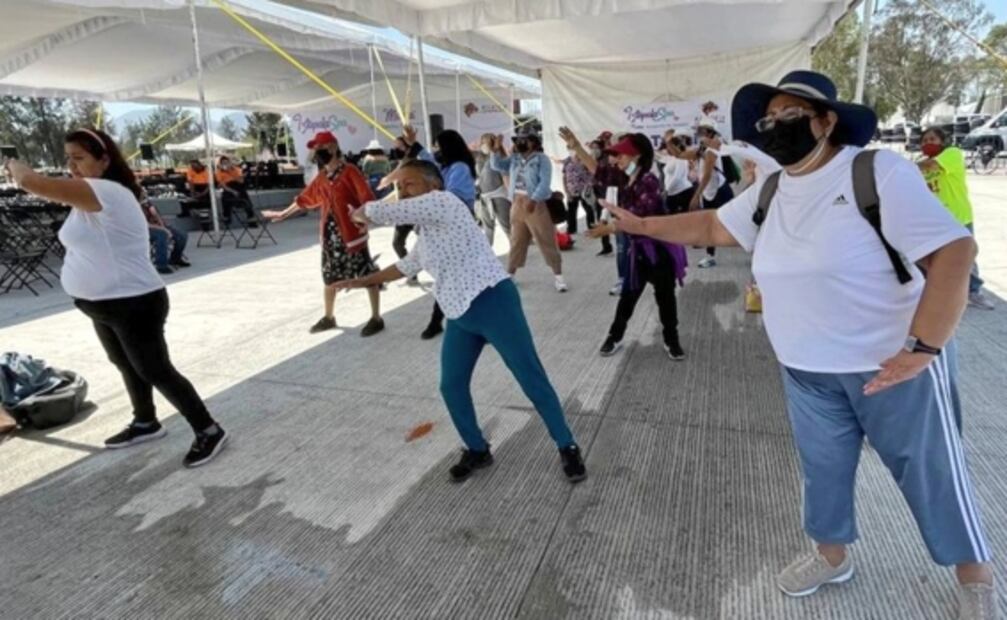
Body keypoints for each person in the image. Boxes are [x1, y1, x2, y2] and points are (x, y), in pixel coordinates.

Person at [604, 70, 995, 619]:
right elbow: (715, 227)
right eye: (768, 119)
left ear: (825, 120)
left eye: (790, 115)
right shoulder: (770, 189)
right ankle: (832, 555)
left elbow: (955, 252)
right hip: (806, 369)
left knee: (931, 471)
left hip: (889, 367)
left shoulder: (874, 172)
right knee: (823, 471)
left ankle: (973, 574)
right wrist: (644, 224)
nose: (776, 126)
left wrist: (924, 348)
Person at [335, 160, 587, 484]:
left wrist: (365, 209)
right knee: (451, 385)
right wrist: (362, 281)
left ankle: (566, 445)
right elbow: (405, 266)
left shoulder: (447, 202)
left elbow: (385, 213)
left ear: (432, 186)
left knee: (530, 378)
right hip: (459, 314)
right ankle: (477, 449)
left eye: (409, 184)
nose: (403, 192)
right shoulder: (425, 236)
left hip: (494, 302)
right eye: (400, 187)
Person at [3, 129, 227, 467]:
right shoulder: (88, 197)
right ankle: (145, 422)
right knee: (126, 364)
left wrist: (14, 166)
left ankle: (209, 430)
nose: (71, 166)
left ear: (104, 160)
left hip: (132, 302)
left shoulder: (107, 191)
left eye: (79, 158)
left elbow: (32, 183)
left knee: (156, 370)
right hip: (104, 304)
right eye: (68, 158)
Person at [262, 131, 384, 337]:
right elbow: (305, 198)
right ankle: (329, 316)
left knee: (366, 275)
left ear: (334, 147)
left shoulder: (350, 171)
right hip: (330, 237)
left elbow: (366, 198)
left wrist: (366, 220)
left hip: (352, 234)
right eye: (316, 150)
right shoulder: (322, 177)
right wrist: (284, 214)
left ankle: (376, 318)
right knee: (329, 278)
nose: (318, 153)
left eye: (322, 149)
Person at [587, 134, 687, 360]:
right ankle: (615, 336)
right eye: (615, 154)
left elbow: (642, 219)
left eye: (621, 154)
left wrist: (610, 228)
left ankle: (672, 340)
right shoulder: (625, 178)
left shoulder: (648, 181)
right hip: (638, 252)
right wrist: (576, 147)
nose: (616, 159)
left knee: (665, 298)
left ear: (637, 155)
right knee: (628, 297)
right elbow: (599, 172)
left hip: (658, 251)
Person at [400, 126, 479, 340]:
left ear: (448, 147)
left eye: (438, 146)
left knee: (454, 276)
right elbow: (428, 163)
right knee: (451, 275)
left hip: (458, 229)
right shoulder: (446, 167)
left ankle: (439, 321)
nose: (435, 149)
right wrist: (413, 143)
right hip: (444, 228)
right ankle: (440, 321)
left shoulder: (460, 168)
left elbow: (450, 199)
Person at [919, 127, 995, 311]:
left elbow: (932, 167)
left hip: (957, 216)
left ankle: (973, 291)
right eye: (924, 141)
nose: (927, 143)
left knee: (966, 255)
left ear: (942, 141)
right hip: (935, 219)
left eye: (932, 139)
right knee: (934, 256)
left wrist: (905, 166)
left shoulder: (952, 154)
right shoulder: (923, 164)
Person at [491, 134, 568, 293]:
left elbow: (545, 182)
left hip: (535, 204)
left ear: (533, 143)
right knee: (516, 241)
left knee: (546, 239)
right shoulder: (515, 158)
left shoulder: (542, 159)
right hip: (517, 203)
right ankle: (510, 275)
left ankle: (559, 277)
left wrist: (534, 200)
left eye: (523, 140)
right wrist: (496, 150)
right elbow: (497, 166)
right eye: (517, 141)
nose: (519, 143)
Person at [559, 127, 628, 295]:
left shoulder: (642, 174)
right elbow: (598, 173)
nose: (614, 155)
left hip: (640, 224)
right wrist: (576, 147)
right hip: (622, 221)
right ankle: (623, 280)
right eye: (613, 151)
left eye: (619, 151)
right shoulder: (615, 172)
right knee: (622, 249)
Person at [689, 119, 735, 268]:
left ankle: (757, 248)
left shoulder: (712, 149)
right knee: (709, 223)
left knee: (734, 221)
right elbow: (683, 154)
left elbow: (708, 175)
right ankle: (710, 256)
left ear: (709, 133)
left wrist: (696, 196)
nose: (699, 134)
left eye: (702, 131)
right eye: (699, 131)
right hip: (710, 191)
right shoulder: (703, 148)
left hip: (718, 190)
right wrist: (672, 143)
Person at [475, 133, 512, 246]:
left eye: (486, 142)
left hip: (500, 196)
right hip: (485, 197)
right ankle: (487, 252)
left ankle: (516, 249)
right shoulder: (480, 158)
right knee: (488, 228)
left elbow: (506, 177)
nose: (483, 145)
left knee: (506, 225)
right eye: (482, 142)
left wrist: (511, 196)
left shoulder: (500, 157)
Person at [141, 194, 190, 275]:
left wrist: (163, 226)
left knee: (182, 235)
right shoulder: (134, 206)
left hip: (158, 226)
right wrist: (164, 230)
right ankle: (161, 265)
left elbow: (158, 216)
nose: (144, 196)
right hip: (145, 229)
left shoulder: (148, 204)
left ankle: (175, 258)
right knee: (162, 235)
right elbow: (144, 224)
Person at [656, 130, 694, 214]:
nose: (667, 148)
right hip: (672, 193)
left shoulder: (681, 158)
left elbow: (677, 177)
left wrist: (666, 190)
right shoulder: (671, 158)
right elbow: (659, 157)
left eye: (669, 146)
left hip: (683, 192)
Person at [558, 147, 595, 234]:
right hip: (572, 191)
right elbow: (564, 176)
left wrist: (589, 187)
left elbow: (592, 174)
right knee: (571, 211)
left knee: (589, 209)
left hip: (585, 191)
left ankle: (592, 228)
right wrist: (566, 191)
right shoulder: (567, 161)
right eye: (570, 149)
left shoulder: (586, 160)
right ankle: (571, 229)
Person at [215, 155, 257, 225]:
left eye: (226, 162)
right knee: (225, 199)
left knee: (246, 199)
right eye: (223, 163)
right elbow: (222, 185)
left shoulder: (236, 169)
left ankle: (251, 218)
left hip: (238, 186)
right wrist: (232, 191)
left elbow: (241, 181)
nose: (225, 164)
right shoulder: (219, 172)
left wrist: (230, 172)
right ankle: (227, 218)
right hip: (228, 188)